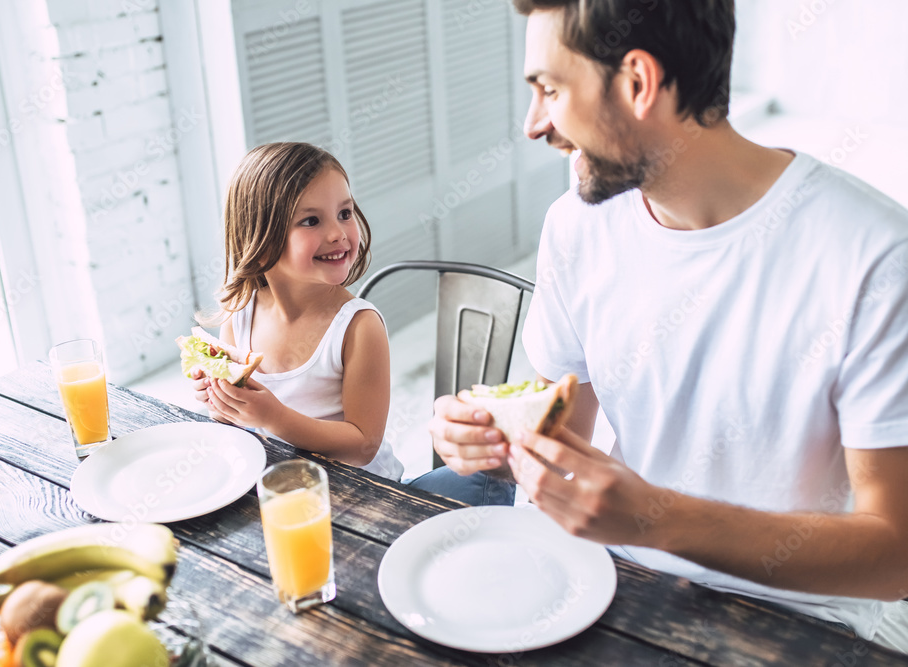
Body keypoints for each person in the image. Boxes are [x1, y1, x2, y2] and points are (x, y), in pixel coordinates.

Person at [425, 0, 908, 653]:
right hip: (613, 575)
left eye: (549, 89)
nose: (534, 124)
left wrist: (658, 519)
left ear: (638, 83)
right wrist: (495, 443)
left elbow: (893, 555)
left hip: (805, 617)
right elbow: (564, 434)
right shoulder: (576, 226)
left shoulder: (877, 257)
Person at [190, 142, 404, 481]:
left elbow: (363, 445)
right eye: (311, 220)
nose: (337, 233)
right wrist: (220, 401)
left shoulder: (359, 327)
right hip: (285, 483)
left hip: (363, 493)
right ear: (260, 243)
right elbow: (236, 423)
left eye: (344, 214)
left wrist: (275, 417)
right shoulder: (240, 315)